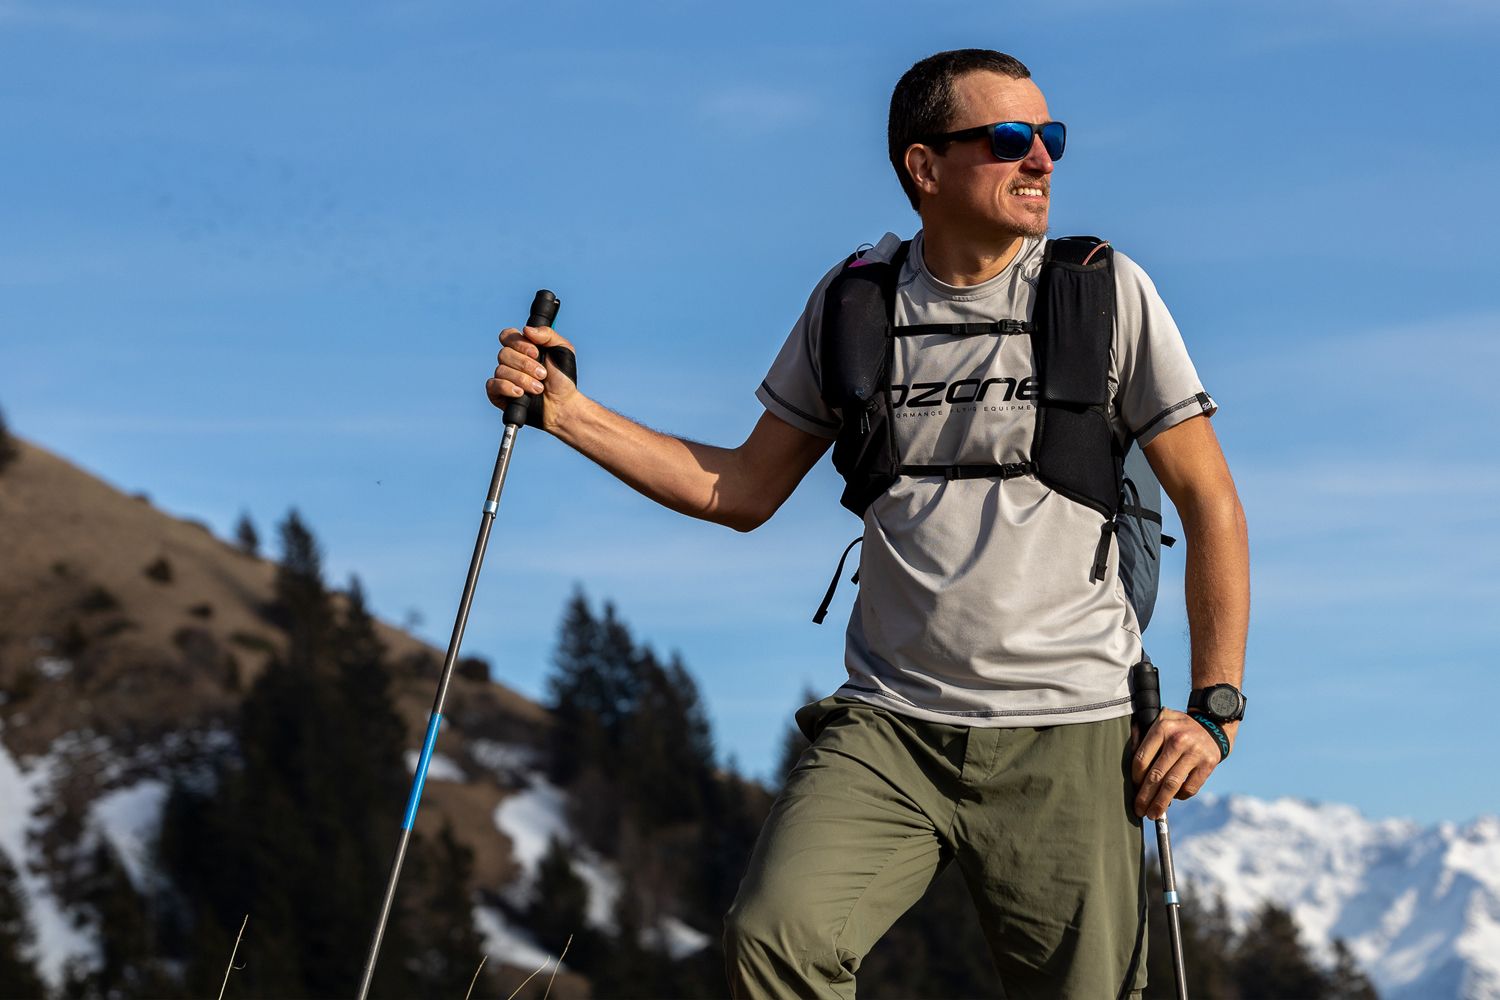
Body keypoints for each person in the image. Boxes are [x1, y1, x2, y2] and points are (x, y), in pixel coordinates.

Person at [486, 48, 1248, 1000]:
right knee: (777, 937)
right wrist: (568, 413)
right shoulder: (856, 303)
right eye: (1010, 139)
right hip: (891, 727)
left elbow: (1210, 502)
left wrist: (1215, 711)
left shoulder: (1103, 292)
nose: (1042, 160)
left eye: (1050, 137)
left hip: (1072, 730)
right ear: (923, 167)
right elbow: (739, 489)